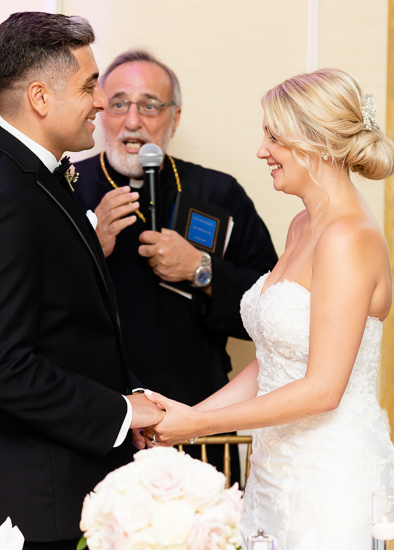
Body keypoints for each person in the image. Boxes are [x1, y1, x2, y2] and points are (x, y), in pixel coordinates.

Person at [138, 69, 394, 550]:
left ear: (318, 142)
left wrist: (197, 424)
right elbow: (274, 361)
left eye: (274, 136)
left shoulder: (348, 238)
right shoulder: (304, 223)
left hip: (332, 479)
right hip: (274, 474)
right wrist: (185, 421)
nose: (261, 150)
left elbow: (323, 389)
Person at [0, 12, 164, 550]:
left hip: (65, 490)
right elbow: (3, 368)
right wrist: (119, 410)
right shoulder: (0, 197)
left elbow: (59, 326)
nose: (100, 102)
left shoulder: (35, 173)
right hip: (35, 509)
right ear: (40, 97)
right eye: (90, 85)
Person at [73, 50, 278, 477]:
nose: (133, 121)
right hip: (95, 425)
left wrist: (201, 270)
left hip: (197, 420)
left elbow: (272, 311)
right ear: (99, 110)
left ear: (175, 118)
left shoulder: (218, 192)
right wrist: (90, 250)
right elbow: (28, 309)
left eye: (149, 105)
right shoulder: (65, 189)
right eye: (118, 104)